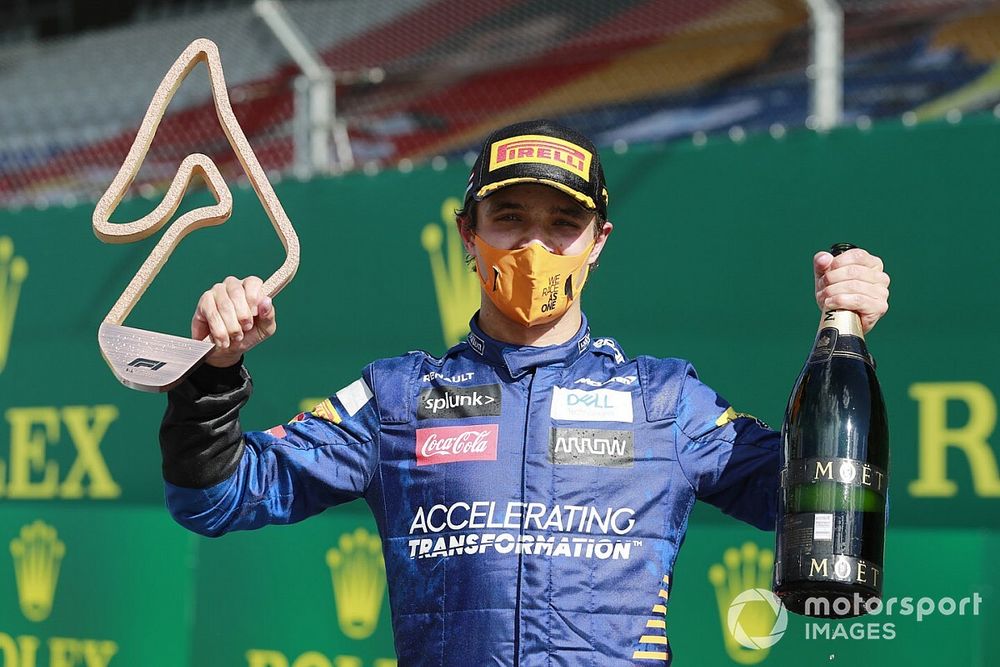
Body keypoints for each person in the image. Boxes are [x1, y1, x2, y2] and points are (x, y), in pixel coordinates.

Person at [160, 119, 890, 665]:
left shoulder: (667, 403)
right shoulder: (397, 398)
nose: (534, 246)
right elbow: (213, 498)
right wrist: (213, 370)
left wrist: (848, 329)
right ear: (466, 232)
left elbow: (817, 502)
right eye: (508, 217)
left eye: (563, 223)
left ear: (598, 240)